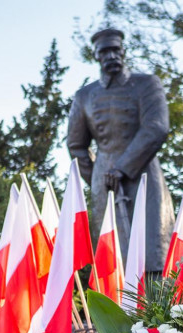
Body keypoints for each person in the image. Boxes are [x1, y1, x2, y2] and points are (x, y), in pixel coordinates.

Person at [66, 28, 173, 271]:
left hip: (144, 175)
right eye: (105, 51)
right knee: (112, 259)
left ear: (123, 51)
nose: (111, 55)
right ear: (96, 56)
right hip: (106, 184)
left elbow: (156, 127)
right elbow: (76, 144)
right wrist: (97, 178)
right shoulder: (84, 96)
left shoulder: (146, 84)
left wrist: (123, 168)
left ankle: (156, 307)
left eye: (116, 49)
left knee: (153, 250)